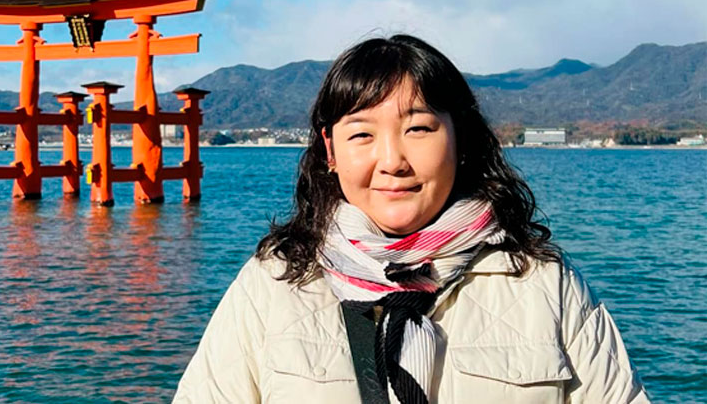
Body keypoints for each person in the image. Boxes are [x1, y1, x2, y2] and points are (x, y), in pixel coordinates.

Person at [173, 35, 649, 403]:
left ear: (460, 139)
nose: (392, 160)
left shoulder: (543, 283)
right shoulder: (275, 282)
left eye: (418, 128)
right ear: (330, 150)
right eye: (361, 134)